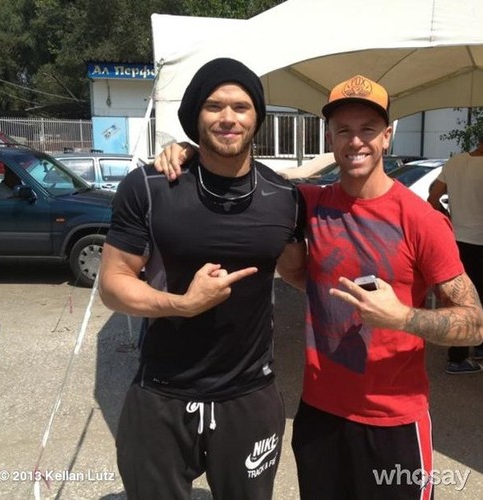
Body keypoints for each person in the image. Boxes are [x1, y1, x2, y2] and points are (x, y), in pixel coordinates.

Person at [155, 74, 483, 499]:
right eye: (343, 130)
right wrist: (190, 152)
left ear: (386, 137)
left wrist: (402, 317)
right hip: (320, 416)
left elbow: (475, 323)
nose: (356, 141)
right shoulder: (309, 203)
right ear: (330, 138)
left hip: (393, 422)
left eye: (367, 129)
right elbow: (244, 176)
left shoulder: (422, 221)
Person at [98, 57, 306, 500]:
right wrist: (182, 304)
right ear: (195, 116)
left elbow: (300, 272)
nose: (228, 118)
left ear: (257, 118)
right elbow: (113, 283)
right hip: (162, 393)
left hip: (249, 396)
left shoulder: (285, 197)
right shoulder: (150, 187)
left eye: (241, 107)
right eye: (214, 106)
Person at [428, 136, 483, 374]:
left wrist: (448, 220)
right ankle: (459, 357)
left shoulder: (456, 162)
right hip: (479, 241)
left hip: (457, 240)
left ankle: (467, 350)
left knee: (461, 297)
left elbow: (432, 199)